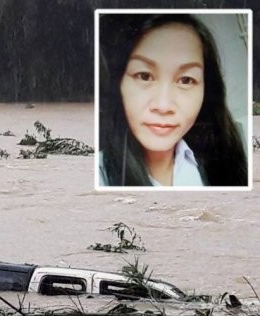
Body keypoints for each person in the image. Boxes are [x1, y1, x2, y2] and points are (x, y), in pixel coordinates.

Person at [98, 13, 248, 187]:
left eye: (186, 80)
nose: (163, 106)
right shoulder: (98, 176)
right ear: (119, 84)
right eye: (144, 76)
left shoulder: (225, 163)